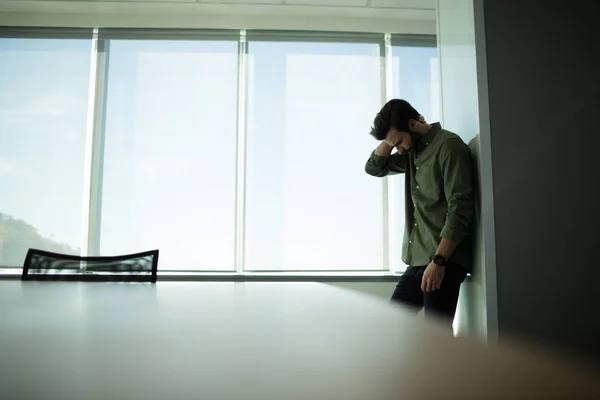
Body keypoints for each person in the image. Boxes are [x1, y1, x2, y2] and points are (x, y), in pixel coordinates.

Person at [364, 99, 474, 327]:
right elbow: (374, 168)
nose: (399, 149)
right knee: (391, 328)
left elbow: (460, 207)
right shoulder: (413, 153)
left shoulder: (449, 146)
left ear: (413, 124)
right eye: (395, 146)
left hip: (443, 260)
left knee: (435, 343)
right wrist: (390, 139)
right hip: (418, 259)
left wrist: (439, 261)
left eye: (400, 142)